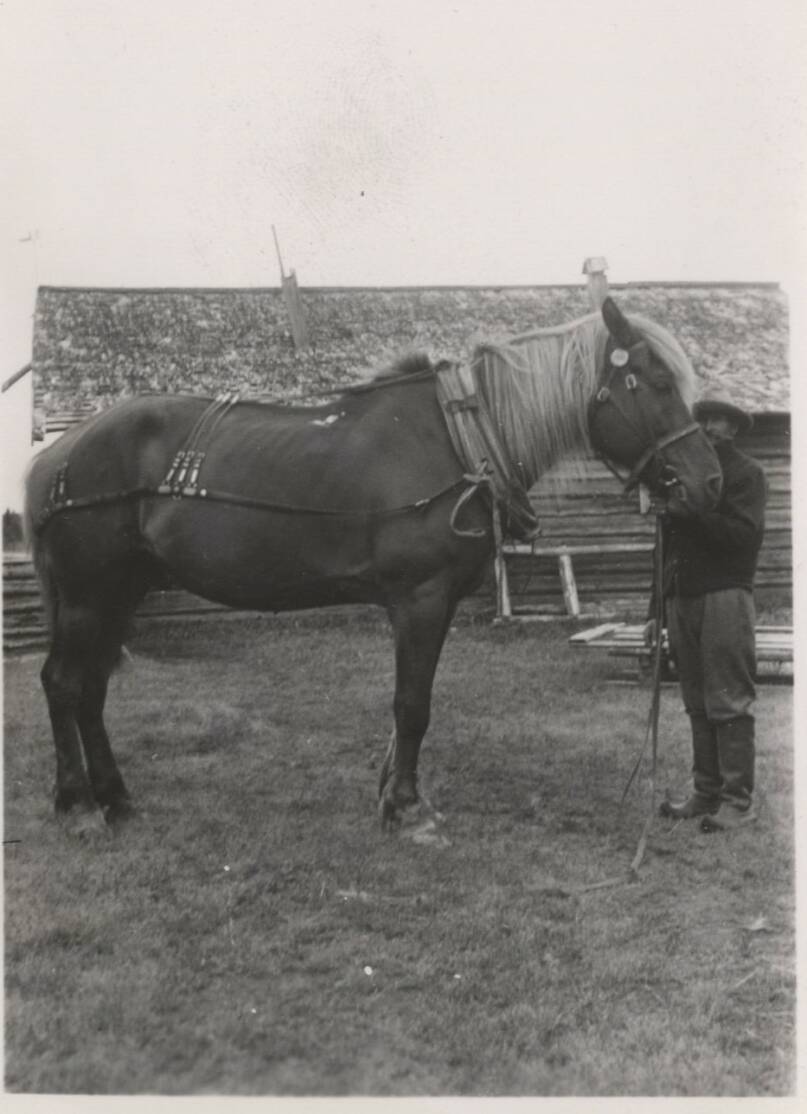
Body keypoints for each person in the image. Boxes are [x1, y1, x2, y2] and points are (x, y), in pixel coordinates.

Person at [649, 393, 767, 832]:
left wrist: (689, 511)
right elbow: (664, 550)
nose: (711, 427)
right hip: (682, 597)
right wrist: (656, 609)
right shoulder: (679, 477)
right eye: (705, 420)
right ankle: (705, 791)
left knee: (729, 701)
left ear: (734, 429)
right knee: (697, 701)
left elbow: (742, 538)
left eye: (721, 421)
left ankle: (737, 801)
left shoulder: (747, 475)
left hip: (724, 595)